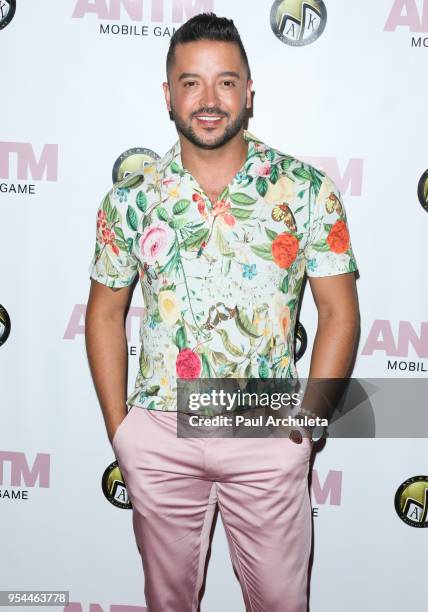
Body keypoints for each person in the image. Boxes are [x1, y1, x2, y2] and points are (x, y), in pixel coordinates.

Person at [85, 12, 360, 612]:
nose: (209, 100)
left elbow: (339, 311)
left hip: (265, 428)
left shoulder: (306, 191)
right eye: (191, 83)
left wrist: (310, 422)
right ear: (168, 94)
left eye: (226, 82)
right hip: (159, 431)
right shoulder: (130, 201)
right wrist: (121, 429)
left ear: (249, 91)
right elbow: (105, 313)